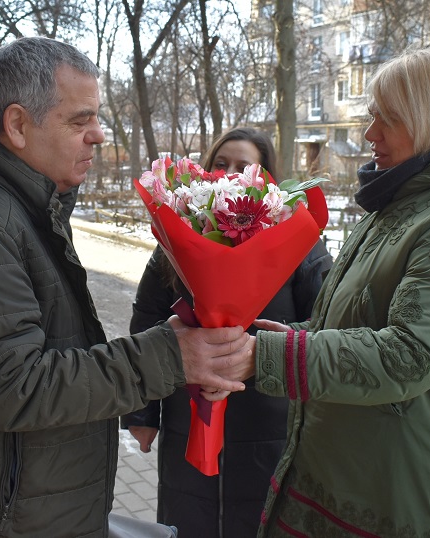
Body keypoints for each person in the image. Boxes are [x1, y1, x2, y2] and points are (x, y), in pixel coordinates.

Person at [0, 36, 253, 537]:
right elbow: (12, 387)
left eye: (97, 118)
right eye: (79, 120)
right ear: (18, 125)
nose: (98, 134)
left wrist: (179, 343)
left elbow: (48, 353)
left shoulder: (24, 209)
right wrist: (169, 356)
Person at [240, 47, 430, 537]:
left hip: (415, 494)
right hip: (365, 474)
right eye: (371, 116)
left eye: (388, 119)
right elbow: (362, 318)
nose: (369, 134)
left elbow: (409, 354)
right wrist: (292, 336)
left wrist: (271, 357)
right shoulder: (405, 201)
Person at [121, 127, 333, 537]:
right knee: (188, 519)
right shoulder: (178, 236)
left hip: (266, 421)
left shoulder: (300, 241)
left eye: (244, 167)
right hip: (188, 413)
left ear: (266, 179)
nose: (230, 173)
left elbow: (326, 320)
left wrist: (266, 350)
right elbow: (147, 317)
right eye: (221, 164)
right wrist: (141, 409)